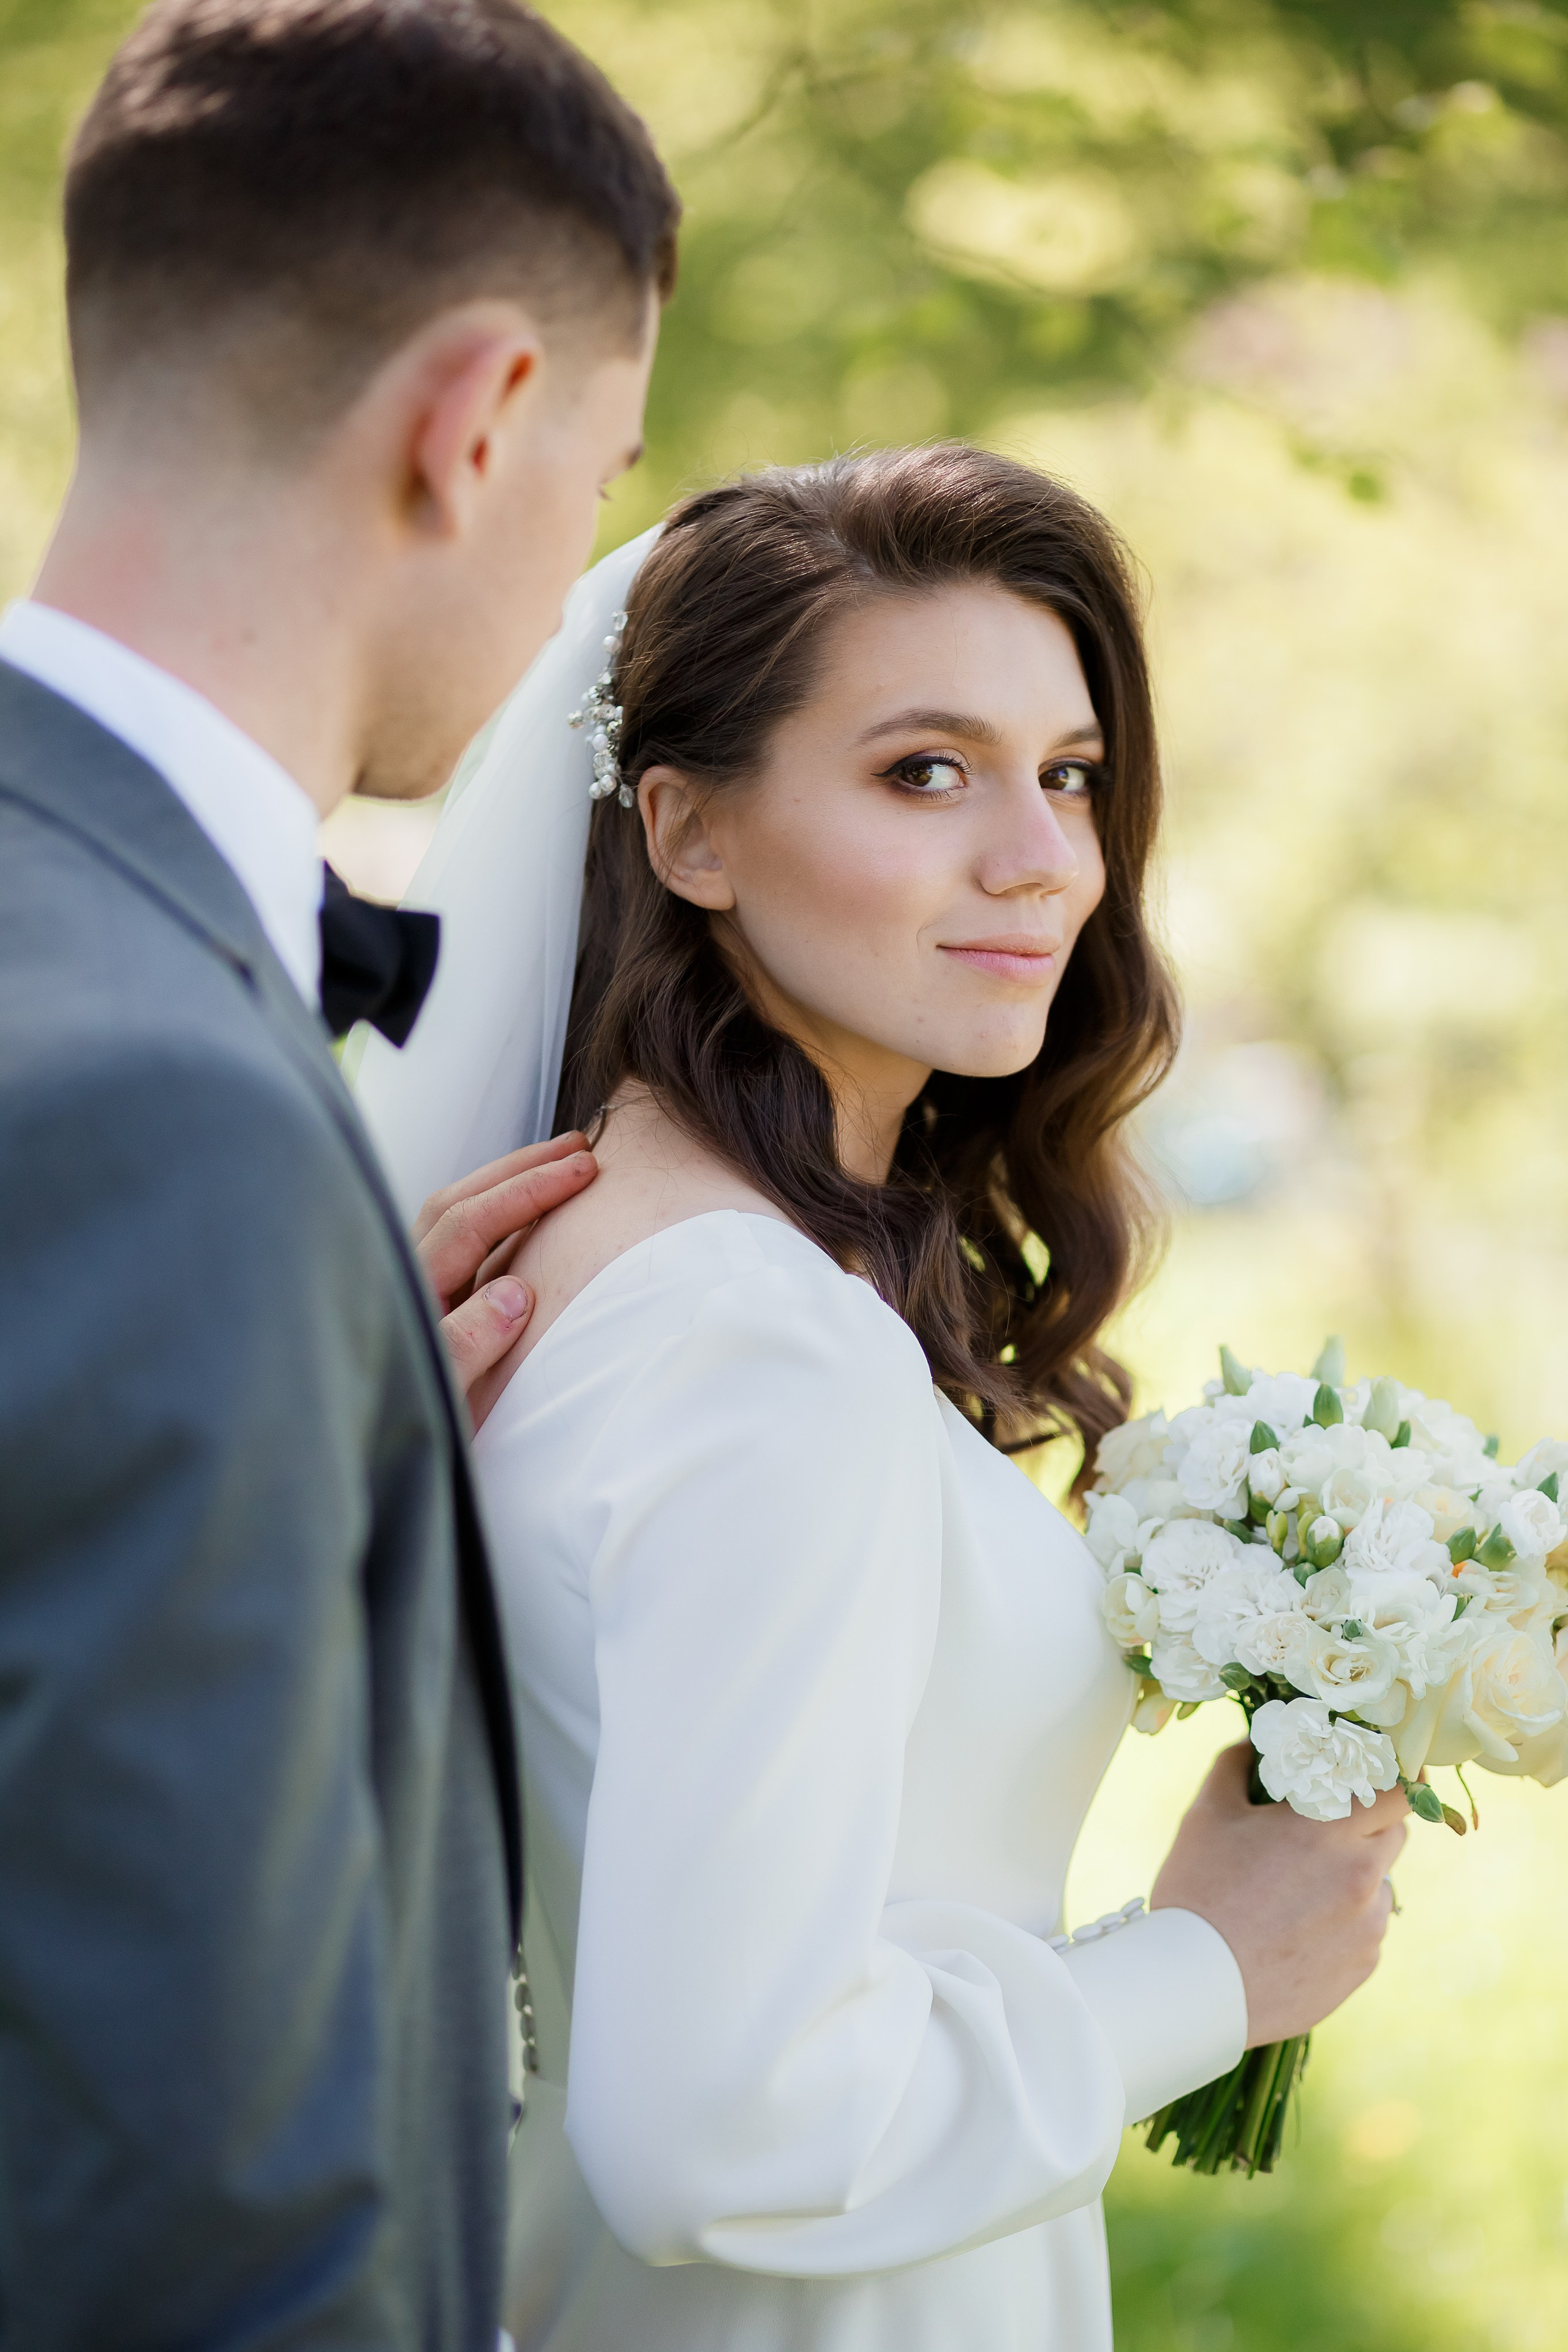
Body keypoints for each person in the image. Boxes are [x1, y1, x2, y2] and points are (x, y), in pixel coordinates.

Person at [356, 445, 1409, 2352]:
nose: (1042, 859)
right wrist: (1205, 1970)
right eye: (926, 771)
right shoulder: (761, 1345)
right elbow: (719, 2131)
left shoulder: (596, 1257)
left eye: (1068, 774)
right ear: (688, 831)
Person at [0, 2, 678, 2345]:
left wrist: (316, 1392)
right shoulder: (165, 1123)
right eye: (599, 472)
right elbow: (203, 2201)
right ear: (478, 418)